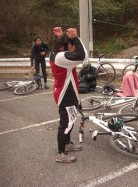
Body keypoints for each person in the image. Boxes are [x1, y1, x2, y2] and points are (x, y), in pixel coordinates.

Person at [49, 26, 88, 163]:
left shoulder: (56, 53)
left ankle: (67, 143)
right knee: (65, 124)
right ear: (67, 47)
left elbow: (70, 50)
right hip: (66, 95)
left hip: (65, 92)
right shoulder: (62, 57)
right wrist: (75, 37)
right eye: (72, 45)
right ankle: (61, 153)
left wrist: (61, 37)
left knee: (70, 120)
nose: (74, 48)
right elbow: (83, 56)